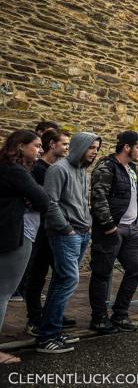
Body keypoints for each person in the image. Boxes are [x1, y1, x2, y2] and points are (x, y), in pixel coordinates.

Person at [88, 131, 138, 334]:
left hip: (131, 230)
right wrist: (109, 226)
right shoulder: (106, 166)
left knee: (136, 268)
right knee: (102, 273)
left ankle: (120, 314)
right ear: (127, 147)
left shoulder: (132, 168)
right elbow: (98, 197)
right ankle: (99, 319)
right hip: (110, 230)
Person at [37, 131, 101, 354]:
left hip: (82, 233)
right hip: (66, 234)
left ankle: (52, 331)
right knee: (68, 280)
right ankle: (46, 338)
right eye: (91, 147)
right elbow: (50, 203)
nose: (95, 152)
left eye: (97, 148)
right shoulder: (58, 169)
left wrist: (88, 224)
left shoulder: (82, 171)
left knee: (60, 281)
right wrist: (67, 230)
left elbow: (82, 202)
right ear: (80, 146)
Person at [0, 130, 49, 365]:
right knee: (2, 294)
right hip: (11, 238)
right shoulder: (16, 171)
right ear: (21, 146)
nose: (40, 150)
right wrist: (29, 198)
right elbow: (43, 200)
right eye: (37, 145)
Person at [24, 129, 75, 337]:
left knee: (61, 274)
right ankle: (34, 319)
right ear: (52, 144)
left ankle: (53, 312)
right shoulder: (38, 169)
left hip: (55, 230)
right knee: (37, 275)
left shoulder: (60, 168)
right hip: (40, 230)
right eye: (64, 144)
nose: (67, 148)